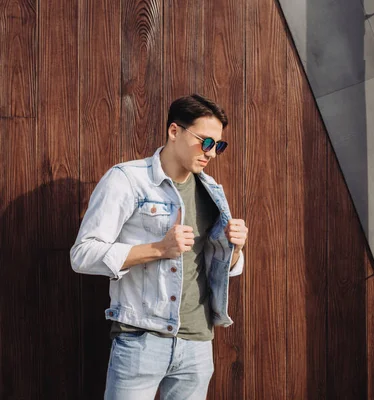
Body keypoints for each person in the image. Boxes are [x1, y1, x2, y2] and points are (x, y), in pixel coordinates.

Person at [70, 94, 248, 400]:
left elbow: (220, 266)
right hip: (141, 338)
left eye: (218, 146)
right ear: (174, 131)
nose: (212, 153)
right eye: (205, 142)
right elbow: (83, 255)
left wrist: (235, 250)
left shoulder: (212, 192)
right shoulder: (127, 180)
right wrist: (158, 249)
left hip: (196, 344)